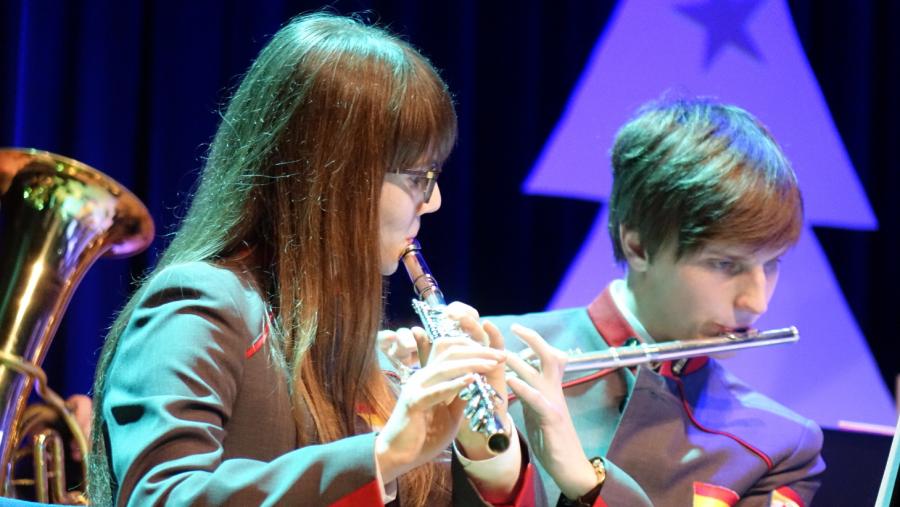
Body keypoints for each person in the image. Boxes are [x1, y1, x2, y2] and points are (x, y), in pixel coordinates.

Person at [88, 13, 539, 507]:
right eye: (418, 178)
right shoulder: (200, 304)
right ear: (339, 177)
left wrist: (483, 455)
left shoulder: (347, 341)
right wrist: (384, 453)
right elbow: (162, 496)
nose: (433, 202)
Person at [491, 99, 826, 506]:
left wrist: (588, 483)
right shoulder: (492, 353)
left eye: (771, 264)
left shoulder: (781, 446)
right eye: (724, 264)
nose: (757, 302)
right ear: (638, 246)